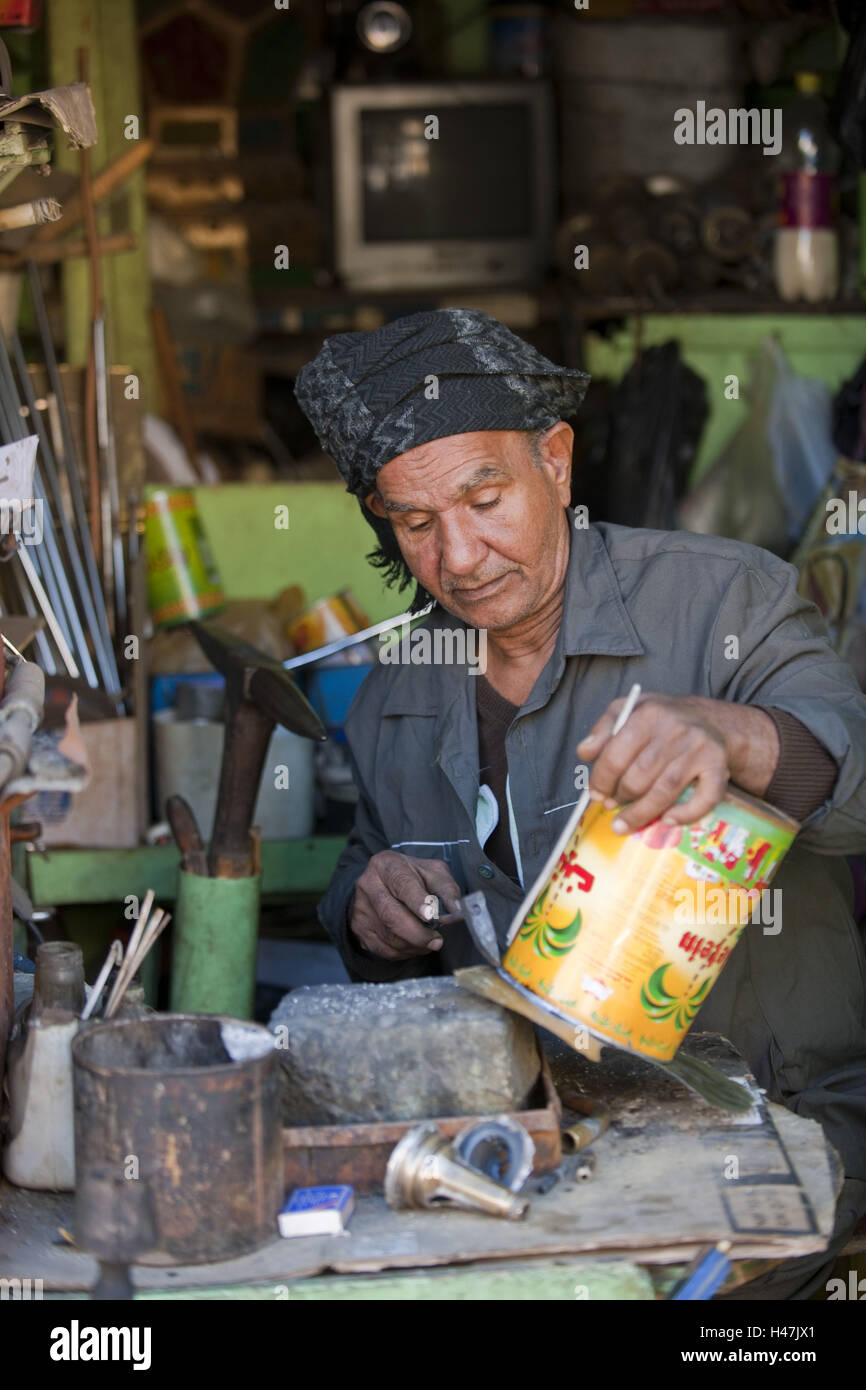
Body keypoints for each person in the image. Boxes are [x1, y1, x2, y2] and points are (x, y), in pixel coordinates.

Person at [295, 308, 866, 1299]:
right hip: (540, 1142)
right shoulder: (400, 688)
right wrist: (368, 904)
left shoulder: (723, 601)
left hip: (770, 1120)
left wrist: (735, 735)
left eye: (484, 498)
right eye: (415, 523)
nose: (460, 556)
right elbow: (365, 865)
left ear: (553, 462)